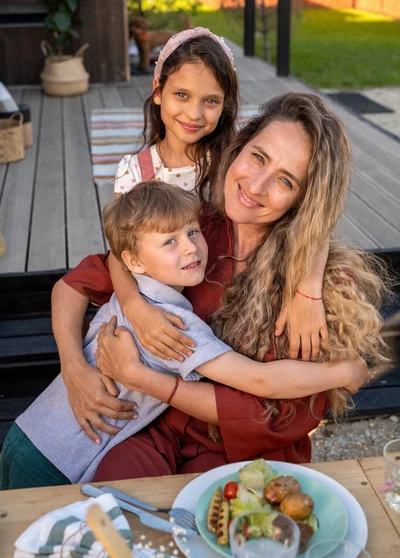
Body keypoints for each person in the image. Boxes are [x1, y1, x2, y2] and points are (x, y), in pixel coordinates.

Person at [52, 92, 387, 482]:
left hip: (242, 452)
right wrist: (74, 365)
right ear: (239, 148)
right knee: (111, 497)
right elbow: (82, 279)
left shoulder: (326, 288)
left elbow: (279, 415)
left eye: (285, 180)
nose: (256, 186)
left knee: (213, 524)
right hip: (152, 427)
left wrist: (144, 378)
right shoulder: (191, 228)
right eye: (258, 157)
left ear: (305, 199)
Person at [0, 183, 363, 490]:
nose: (190, 247)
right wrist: (341, 373)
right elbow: (260, 379)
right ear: (135, 261)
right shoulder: (171, 326)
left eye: (192, 231)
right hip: (56, 460)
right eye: (169, 242)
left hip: (26, 433)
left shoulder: (132, 293)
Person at [113, 26, 238, 199]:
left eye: (210, 101)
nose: (194, 114)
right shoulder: (135, 172)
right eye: (182, 95)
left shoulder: (232, 166)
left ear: (224, 103)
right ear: (158, 92)